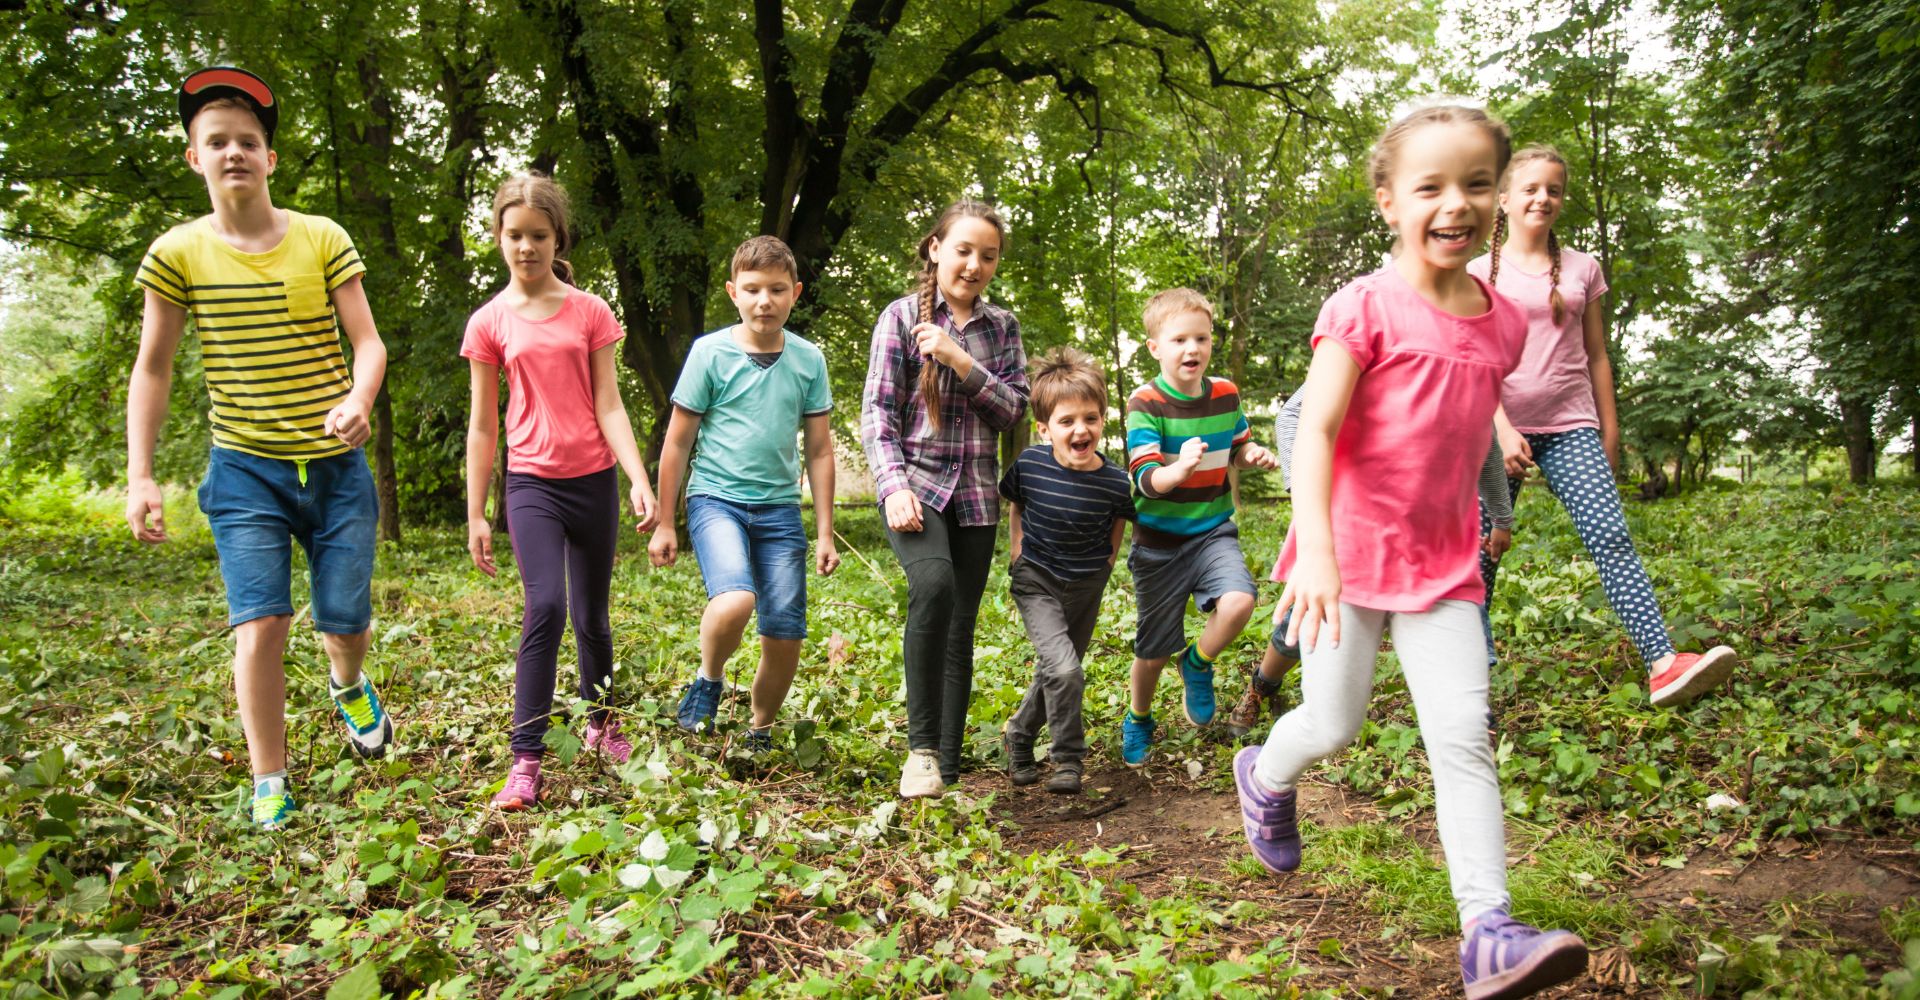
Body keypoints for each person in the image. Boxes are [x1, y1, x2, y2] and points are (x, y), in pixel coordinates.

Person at [1233, 105, 1588, 999]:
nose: (1455, 203)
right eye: (1430, 186)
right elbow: (1316, 429)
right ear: (1389, 201)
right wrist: (1316, 553)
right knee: (1333, 724)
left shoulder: (1504, 324)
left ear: (1498, 198)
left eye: (1477, 183)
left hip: (1444, 567)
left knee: (1463, 735)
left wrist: (1494, 505)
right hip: (1345, 560)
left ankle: (1488, 931)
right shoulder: (1362, 306)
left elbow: (1470, 426)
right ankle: (1264, 775)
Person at [128, 67, 394, 831]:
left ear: (269, 158)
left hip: (335, 468)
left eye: (247, 141)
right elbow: (154, 367)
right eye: (217, 142)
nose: (234, 152)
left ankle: (348, 682)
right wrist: (140, 475)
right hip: (244, 468)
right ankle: (269, 779)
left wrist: (358, 399)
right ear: (195, 158)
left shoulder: (322, 238)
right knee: (261, 625)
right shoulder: (177, 253)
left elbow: (368, 343)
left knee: (344, 623)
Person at [1470, 145, 1737, 708]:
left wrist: (1608, 435)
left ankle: (1663, 664)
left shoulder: (1583, 267)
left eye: (1554, 189)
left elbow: (1597, 356)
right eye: (1531, 188)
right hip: (1495, 432)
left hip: (1571, 426)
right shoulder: (1474, 273)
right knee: (1480, 554)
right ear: (1504, 199)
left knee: (1611, 538)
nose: (1543, 198)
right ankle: (1469, 684)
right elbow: (1473, 360)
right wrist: (1501, 428)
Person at [463, 174, 657, 810]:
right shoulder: (489, 322)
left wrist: (637, 477)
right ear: (499, 238)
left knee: (591, 615)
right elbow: (483, 425)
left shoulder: (590, 311)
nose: (527, 247)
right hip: (531, 484)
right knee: (544, 604)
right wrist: (476, 513)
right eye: (515, 235)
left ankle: (601, 724)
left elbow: (610, 403)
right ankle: (526, 759)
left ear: (557, 239)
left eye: (539, 235)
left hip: (593, 480)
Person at [860, 200, 1029, 799]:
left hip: (976, 496)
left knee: (960, 629)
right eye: (963, 250)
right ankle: (921, 752)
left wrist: (959, 360)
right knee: (933, 586)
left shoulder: (1002, 328)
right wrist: (893, 487)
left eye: (988, 255)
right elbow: (878, 414)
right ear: (936, 249)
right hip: (917, 488)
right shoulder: (900, 317)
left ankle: (948, 774)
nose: (974, 265)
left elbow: (1013, 410)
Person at [1226, 391, 1516, 737]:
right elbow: (1292, 416)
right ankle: (1262, 685)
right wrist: (1302, 492)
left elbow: (1484, 438)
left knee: (1456, 614)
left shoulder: (1466, 368)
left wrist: (1501, 517)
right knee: (1305, 622)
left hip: (1432, 537)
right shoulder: (1366, 358)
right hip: (1355, 527)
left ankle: (1470, 714)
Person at [650, 236, 838, 755]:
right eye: (752, 289)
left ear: (795, 293)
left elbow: (819, 450)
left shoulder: (808, 360)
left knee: (785, 632)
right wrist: (665, 521)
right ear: (734, 292)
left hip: (780, 510)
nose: (764, 301)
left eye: (777, 289)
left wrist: (824, 532)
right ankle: (708, 679)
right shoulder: (709, 353)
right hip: (716, 500)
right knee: (736, 599)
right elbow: (677, 441)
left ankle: (759, 730)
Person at [1119, 289, 1279, 766]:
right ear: (1155, 348)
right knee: (1152, 652)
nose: (1192, 349)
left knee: (1240, 601)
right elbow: (1145, 478)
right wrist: (1177, 471)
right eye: (1179, 340)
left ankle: (1197, 661)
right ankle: (1139, 716)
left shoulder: (1226, 394)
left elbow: (1237, 446)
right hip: (1158, 543)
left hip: (1212, 531)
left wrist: (1252, 454)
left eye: (1201, 338)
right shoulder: (1145, 402)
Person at [998, 348, 1135, 795]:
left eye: (1091, 419)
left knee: (1060, 669)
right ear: (1044, 429)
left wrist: (1108, 562)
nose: (1081, 429)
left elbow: (1119, 519)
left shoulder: (1115, 481)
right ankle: (1068, 758)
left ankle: (1019, 733)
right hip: (1037, 579)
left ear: (1102, 421)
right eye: (1067, 421)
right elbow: (1016, 503)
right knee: (1065, 669)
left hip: (1087, 583)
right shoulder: (1030, 465)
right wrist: (1017, 551)